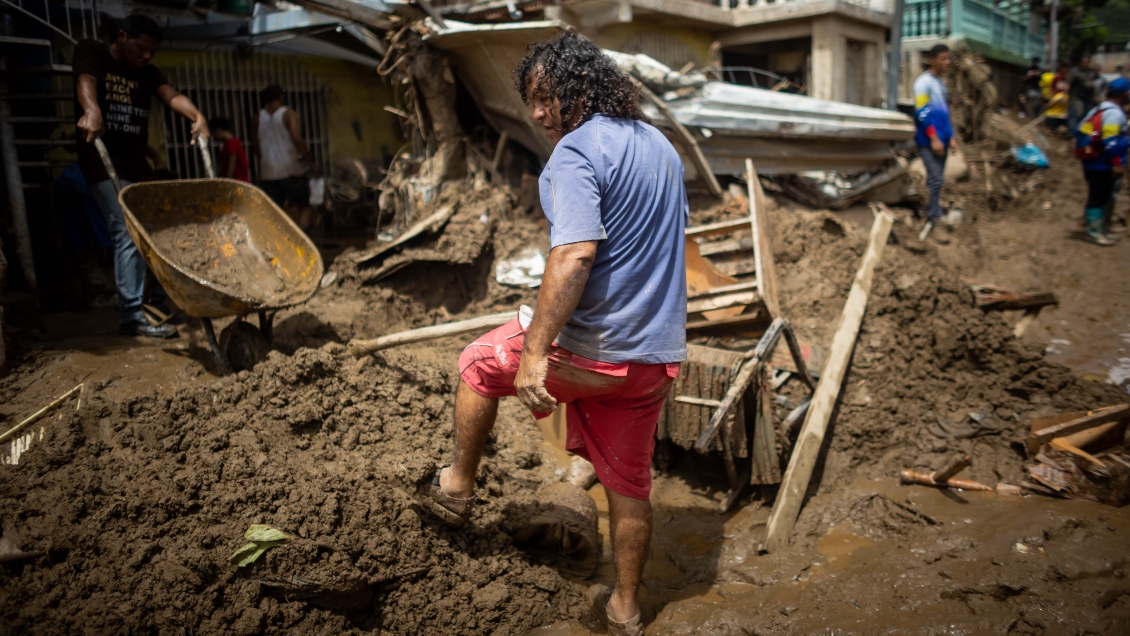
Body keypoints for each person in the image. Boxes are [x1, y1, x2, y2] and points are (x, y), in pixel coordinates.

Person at [417, 32, 686, 636]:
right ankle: (625, 608)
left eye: (547, 97)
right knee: (629, 484)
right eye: (530, 100)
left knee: (478, 362)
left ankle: (457, 488)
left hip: (593, 352)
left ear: (582, 86)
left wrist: (535, 350)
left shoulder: (575, 153)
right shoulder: (663, 148)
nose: (537, 114)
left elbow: (574, 257)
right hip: (653, 361)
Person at [74, 14, 209, 338]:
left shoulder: (147, 73)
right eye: (141, 48)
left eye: (152, 51)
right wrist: (91, 109)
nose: (147, 56)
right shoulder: (93, 52)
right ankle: (132, 316)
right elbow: (85, 82)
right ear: (121, 36)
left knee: (159, 232)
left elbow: (170, 95)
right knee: (127, 230)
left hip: (137, 167)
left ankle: (160, 303)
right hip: (101, 161)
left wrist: (197, 115)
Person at [251, 85, 317, 228]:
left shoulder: (257, 118)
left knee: (275, 212)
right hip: (290, 170)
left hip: (267, 173)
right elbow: (296, 138)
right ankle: (302, 238)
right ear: (281, 97)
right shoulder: (288, 114)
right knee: (302, 206)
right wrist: (310, 162)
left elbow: (255, 147)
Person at [1075, 77, 1130, 245]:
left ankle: (1097, 229)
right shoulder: (1114, 114)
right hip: (1101, 163)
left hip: (1092, 160)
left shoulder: (1098, 109)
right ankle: (1093, 232)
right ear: (1125, 94)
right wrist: (1117, 164)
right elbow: (1110, 142)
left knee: (1099, 195)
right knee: (1098, 197)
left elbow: (1080, 130)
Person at [914, 44, 957, 238]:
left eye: (949, 59)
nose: (947, 62)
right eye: (943, 59)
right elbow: (922, 113)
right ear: (932, 60)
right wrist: (933, 138)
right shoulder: (922, 83)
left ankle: (934, 210)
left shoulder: (940, 84)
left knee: (938, 180)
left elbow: (945, 113)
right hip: (928, 141)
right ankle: (933, 217)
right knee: (936, 178)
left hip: (943, 140)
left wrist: (951, 136)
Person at [209, 116, 250, 182]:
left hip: (237, 183)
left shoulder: (231, 143)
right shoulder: (232, 142)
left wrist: (227, 181)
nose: (214, 137)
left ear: (218, 130)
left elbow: (232, 165)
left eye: (213, 133)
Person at [1068, 56, 1097, 132]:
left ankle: (1082, 131)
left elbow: (1092, 85)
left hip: (1088, 97)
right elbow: (1069, 83)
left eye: (1087, 62)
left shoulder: (1090, 72)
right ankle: (1073, 131)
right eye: (1084, 62)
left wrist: (1095, 95)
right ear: (1080, 62)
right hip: (1077, 97)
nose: (1085, 64)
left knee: (1086, 115)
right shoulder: (1075, 71)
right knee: (1077, 114)